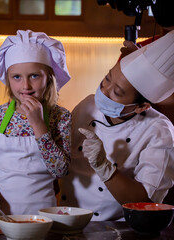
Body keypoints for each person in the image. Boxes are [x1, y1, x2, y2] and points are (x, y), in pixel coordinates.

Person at [60, 30, 174, 221]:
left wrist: (104, 167)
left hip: (113, 230)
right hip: (64, 219)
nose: (104, 93)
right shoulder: (88, 104)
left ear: (141, 106)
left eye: (117, 93)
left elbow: (145, 202)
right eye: (106, 80)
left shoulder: (159, 131)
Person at [0, 30, 71, 219]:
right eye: (17, 77)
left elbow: (61, 170)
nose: (26, 86)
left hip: (44, 216)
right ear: (8, 79)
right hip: (2, 214)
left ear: (49, 77)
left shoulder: (60, 117)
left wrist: (39, 125)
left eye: (34, 76)